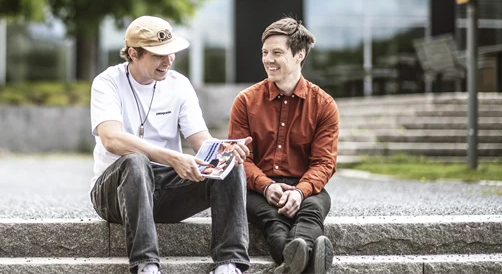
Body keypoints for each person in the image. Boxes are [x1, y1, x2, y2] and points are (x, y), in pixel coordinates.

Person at [90, 16, 253, 274]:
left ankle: (229, 265)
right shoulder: (107, 82)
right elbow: (111, 138)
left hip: (165, 191)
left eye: (172, 53)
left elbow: (201, 142)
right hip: (114, 193)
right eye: (159, 55)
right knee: (136, 161)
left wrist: (225, 150)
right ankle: (147, 266)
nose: (168, 61)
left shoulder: (179, 85)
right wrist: (171, 158)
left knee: (231, 167)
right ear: (133, 53)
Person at [228, 17, 339, 274]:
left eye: (277, 52)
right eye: (265, 53)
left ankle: (289, 267)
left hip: (305, 186)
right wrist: (266, 187)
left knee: (311, 210)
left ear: (299, 54)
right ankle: (312, 263)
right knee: (273, 219)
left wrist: (299, 191)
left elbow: (324, 163)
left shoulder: (324, 105)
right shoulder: (245, 101)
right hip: (256, 190)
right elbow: (239, 159)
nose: (268, 59)